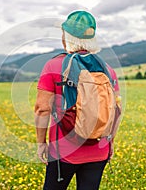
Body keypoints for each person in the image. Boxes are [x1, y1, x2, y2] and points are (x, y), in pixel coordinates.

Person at [35, 10, 120, 190]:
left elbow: (42, 109)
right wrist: (110, 141)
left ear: (67, 37)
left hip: (63, 152)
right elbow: (115, 111)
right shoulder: (108, 70)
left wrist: (41, 143)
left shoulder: (53, 65)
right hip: (99, 150)